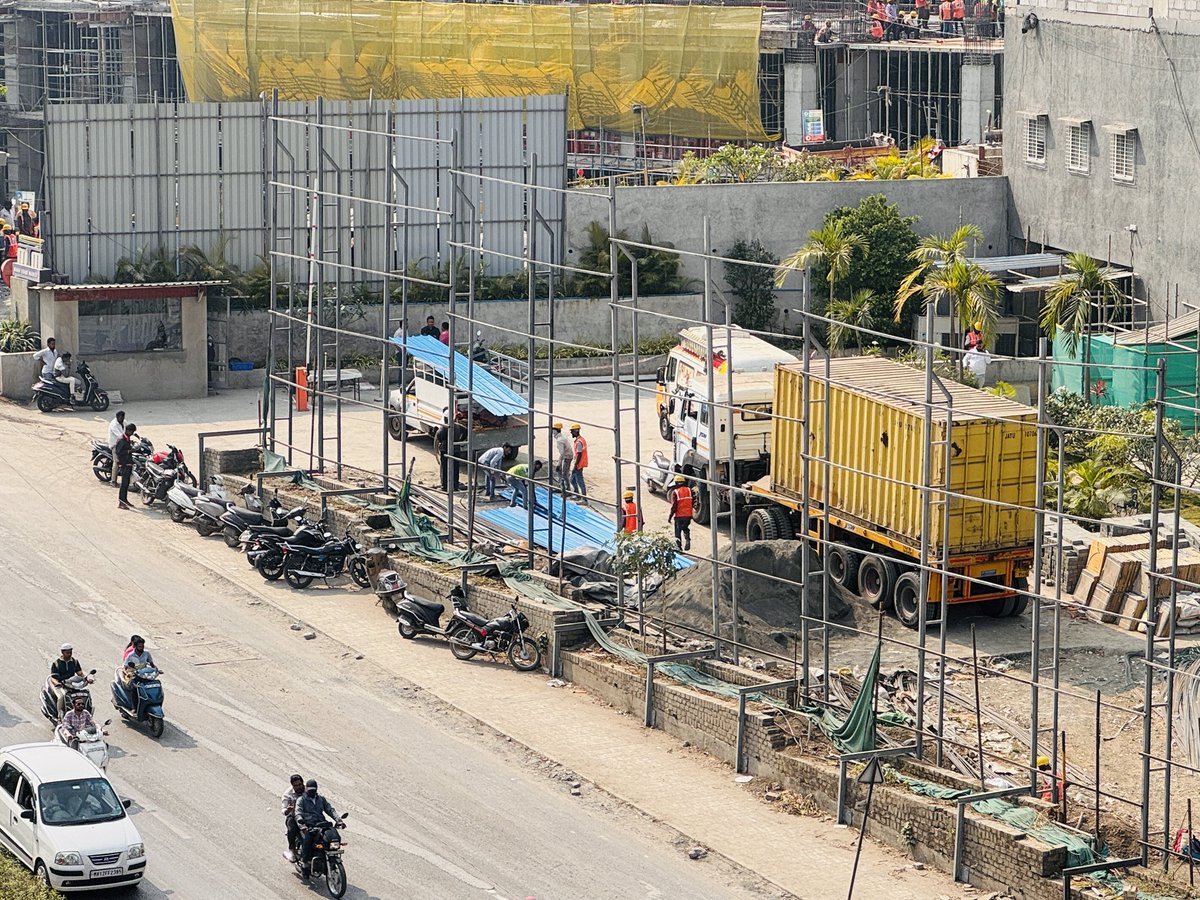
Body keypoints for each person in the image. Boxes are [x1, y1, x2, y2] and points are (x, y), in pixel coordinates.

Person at [295, 779, 342, 879]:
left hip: (321, 824)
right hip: (309, 826)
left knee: (332, 835)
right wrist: (302, 825)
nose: (312, 792)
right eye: (310, 790)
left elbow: (330, 809)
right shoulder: (301, 800)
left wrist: (339, 820)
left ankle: (326, 860)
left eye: (314, 790)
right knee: (308, 840)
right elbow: (298, 813)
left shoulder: (321, 799)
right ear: (306, 789)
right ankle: (305, 864)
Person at [49, 643, 85, 717]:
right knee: (61, 696)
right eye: (67, 652)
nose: (69, 654)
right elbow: (53, 678)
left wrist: (86, 678)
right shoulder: (56, 663)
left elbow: (79, 673)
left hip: (71, 684)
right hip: (61, 685)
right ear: (62, 652)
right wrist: (57, 683)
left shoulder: (74, 661)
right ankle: (60, 716)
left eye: (70, 652)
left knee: (84, 694)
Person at [436, 411, 468, 491]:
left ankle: (444, 486)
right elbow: (466, 431)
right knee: (455, 469)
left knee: (444, 468)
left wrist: (442, 442)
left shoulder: (444, 427)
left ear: (445, 418)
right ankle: (455, 486)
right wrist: (460, 440)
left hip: (445, 450)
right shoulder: (458, 426)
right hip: (456, 450)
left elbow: (438, 435)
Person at [281, 774, 306, 861]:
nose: (299, 787)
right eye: (296, 785)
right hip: (293, 816)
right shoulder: (288, 794)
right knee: (292, 828)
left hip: (308, 816)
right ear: (292, 786)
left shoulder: (308, 790)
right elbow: (284, 810)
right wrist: (288, 810)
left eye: (300, 784)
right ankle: (291, 850)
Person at [667, 475, 694, 551]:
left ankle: (678, 547)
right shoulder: (689, 490)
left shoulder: (675, 492)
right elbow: (693, 502)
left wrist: (670, 516)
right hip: (688, 515)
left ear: (676, 483)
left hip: (679, 515)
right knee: (685, 528)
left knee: (677, 531)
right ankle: (687, 539)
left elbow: (674, 506)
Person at [116, 422, 137, 510]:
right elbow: (119, 452)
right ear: (128, 431)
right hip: (124, 464)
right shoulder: (121, 440)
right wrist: (128, 451)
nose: (132, 434)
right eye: (131, 432)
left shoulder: (127, 438)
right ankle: (121, 502)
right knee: (124, 484)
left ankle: (125, 500)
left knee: (126, 483)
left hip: (128, 463)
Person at [552, 422, 573, 494]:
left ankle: (567, 490)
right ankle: (561, 487)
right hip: (566, 457)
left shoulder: (560, 440)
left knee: (564, 474)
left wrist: (559, 464)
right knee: (561, 473)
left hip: (567, 458)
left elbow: (562, 453)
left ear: (555, 430)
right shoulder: (561, 438)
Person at [569, 424, 588, 502]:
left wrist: (575, 466)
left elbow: (579, 454)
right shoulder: (581, 440)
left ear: (575, 431)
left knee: (580, 481)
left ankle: (584, 499)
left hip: (579, 464)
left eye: (572, 432)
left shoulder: (579, 442)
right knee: (572, 480)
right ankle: (577, 495)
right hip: (580, 463)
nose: (571, 433)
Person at [107, 411, 126, 485]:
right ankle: (113, 481)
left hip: (122, 444)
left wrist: (135, 434)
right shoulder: (113, 424)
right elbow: (119, 435)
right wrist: (127, 438)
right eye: (121, 417)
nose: (122, 419)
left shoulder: (124, 422)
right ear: (117, 417)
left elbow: (128, 428)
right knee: (117, 461)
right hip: (115, 444)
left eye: (123, 417)